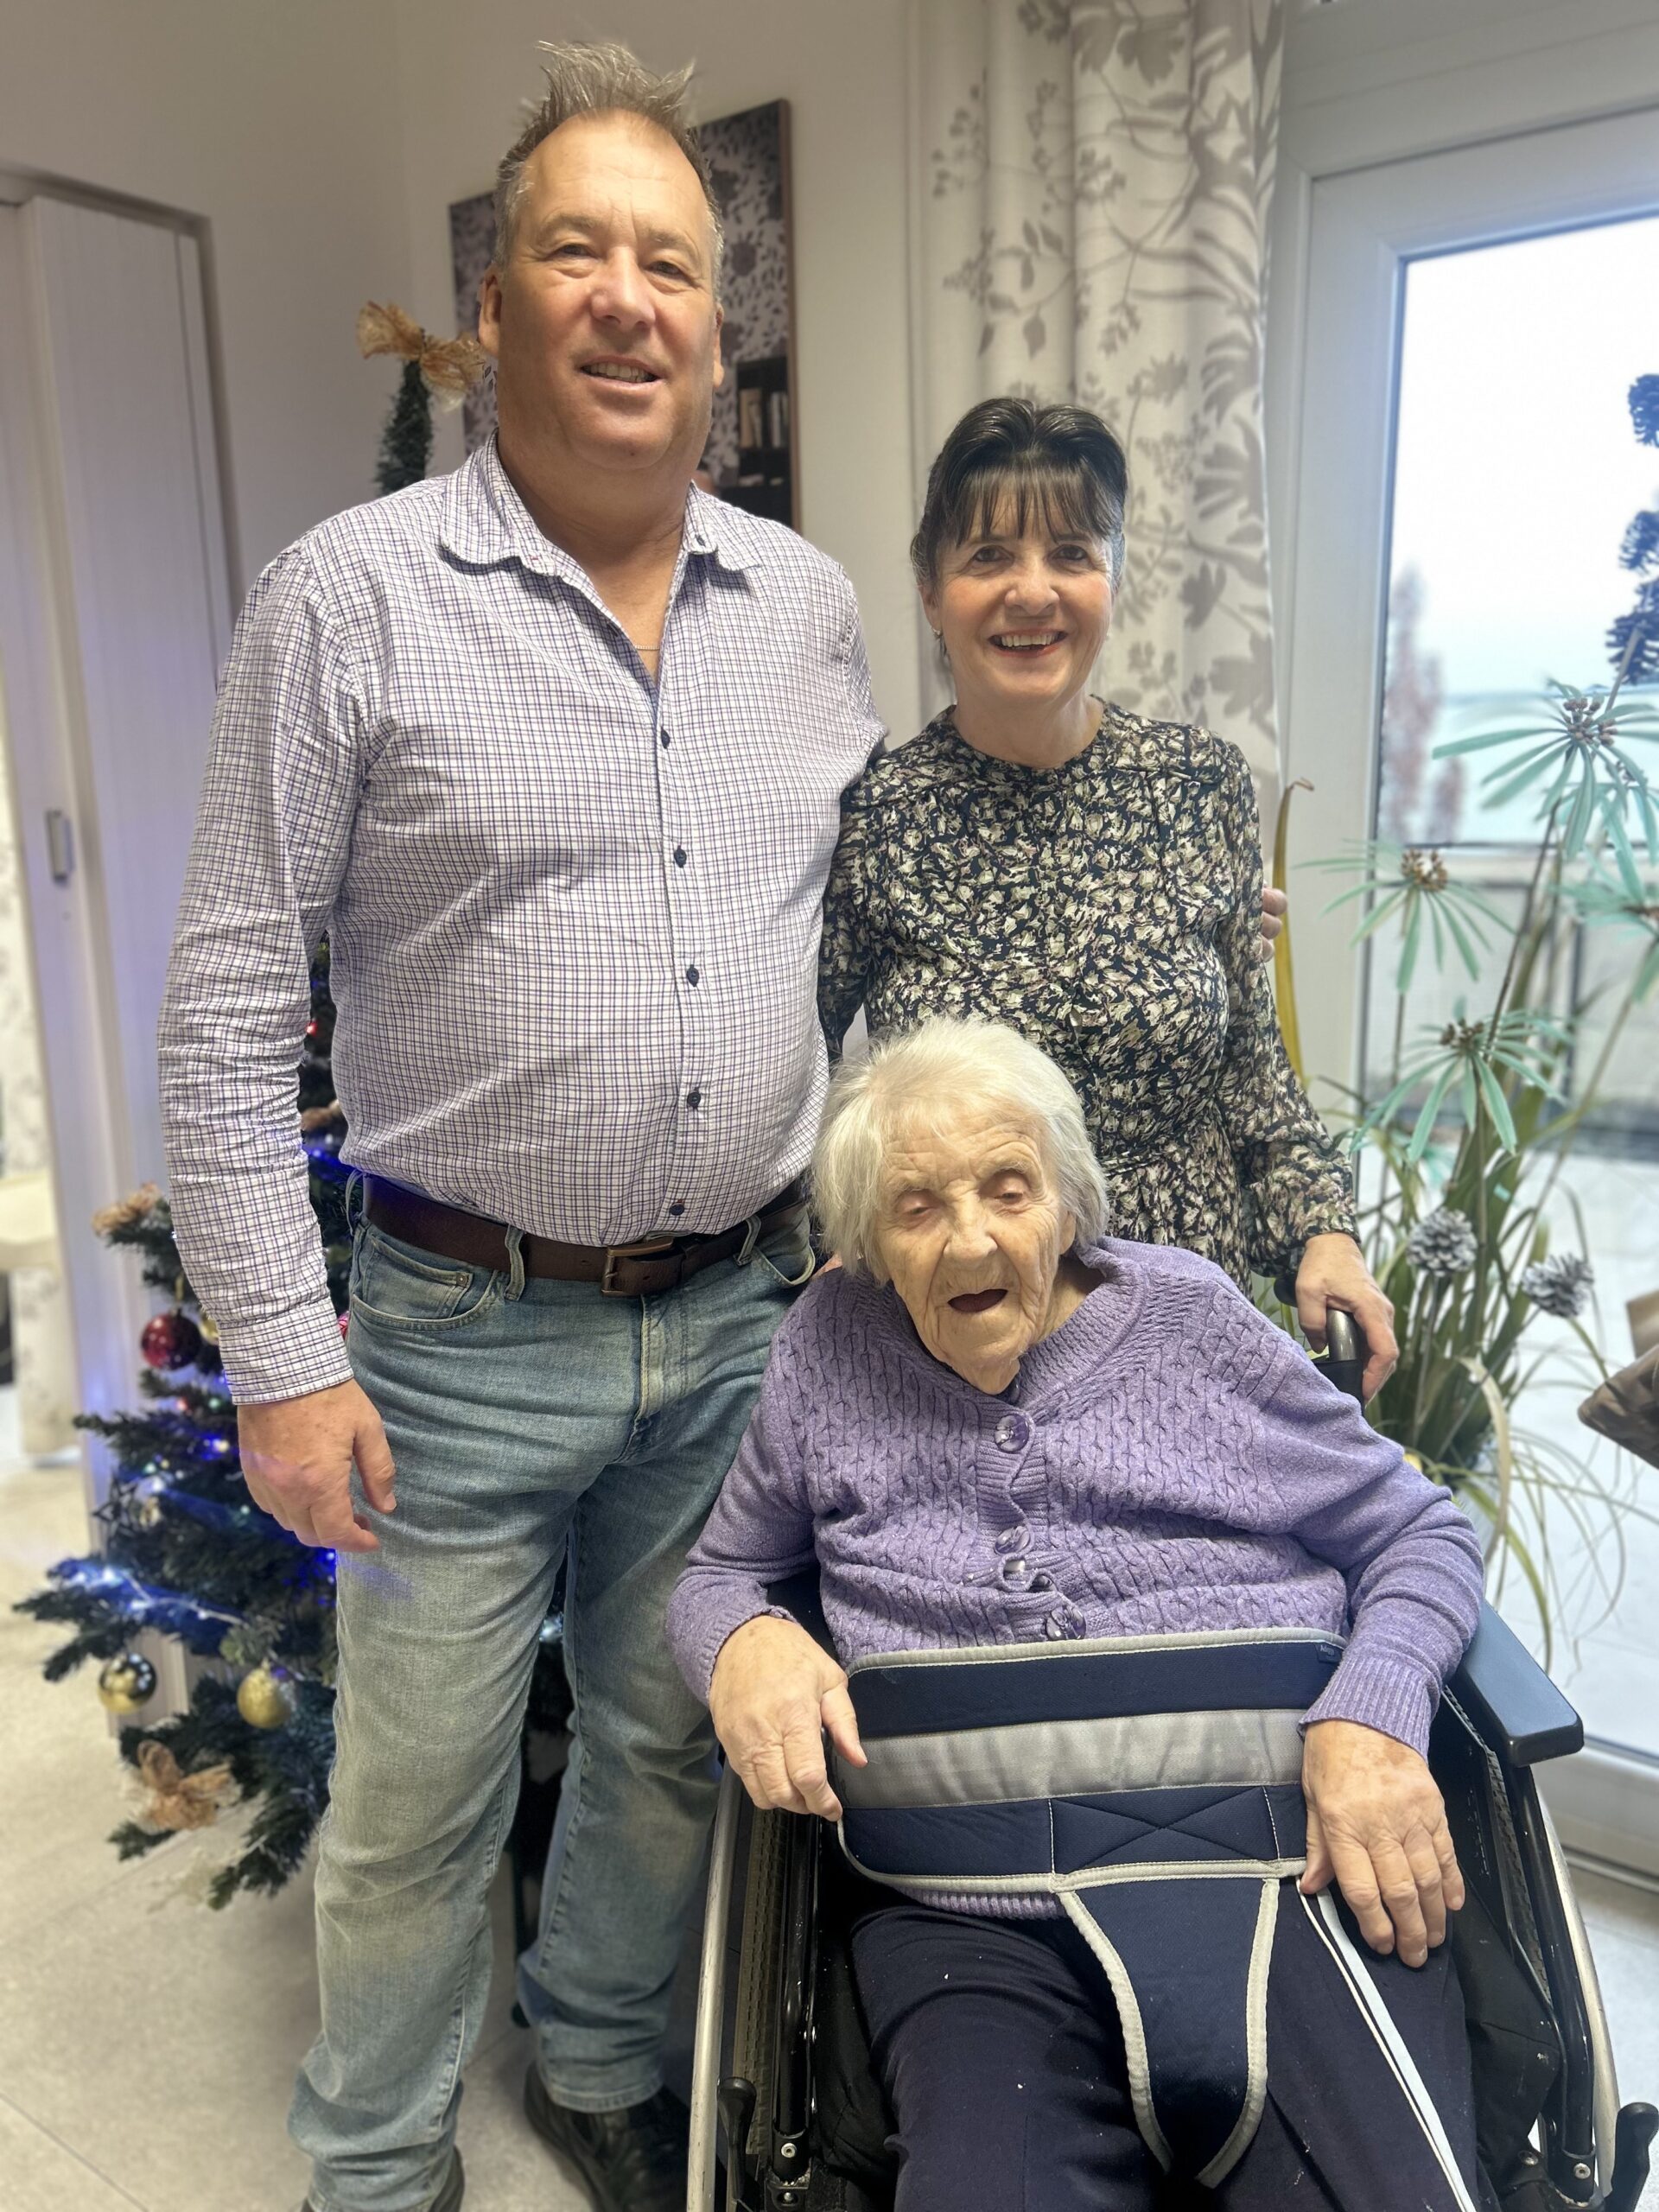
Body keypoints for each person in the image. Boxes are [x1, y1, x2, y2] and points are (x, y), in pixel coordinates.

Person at [158, 43, 886, 2212]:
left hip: (737, 1316)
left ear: (720, 333)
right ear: (495, 306)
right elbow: (225, 1002)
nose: (629, 298)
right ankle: (380, 2157)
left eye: (673, 262)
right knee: (413, 1801)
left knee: (662, 1740)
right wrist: (279, 1361)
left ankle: (593, 2055)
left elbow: (844, 941)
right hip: (454, 1339)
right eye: (580, 249)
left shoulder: (811, 611)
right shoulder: (348, 595)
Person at [669, 1016, 1489, 2212]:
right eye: (915, 1208)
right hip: (967, 1911)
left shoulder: (1192, 1320)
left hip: (1283, 1860)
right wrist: (742, 1641)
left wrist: (1372, 1713)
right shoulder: (826, 1347)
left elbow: (1423, 1530)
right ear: (866, 1245)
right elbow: (719, 1576)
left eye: (1009, 1190)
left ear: (1066, 1202)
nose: (971, 1239)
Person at [818, 399, 1398, 1400]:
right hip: (970, 1339)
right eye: (989, 555)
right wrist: (836, 1240)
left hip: (1188, 1326)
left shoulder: (1200, 784)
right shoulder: (877, 815)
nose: (1032, 591)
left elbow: (1252, 1069)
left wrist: (1324, 1230)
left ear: (1113, 579)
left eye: (1072, 553)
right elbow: (800, 1081)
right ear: (930, 590)